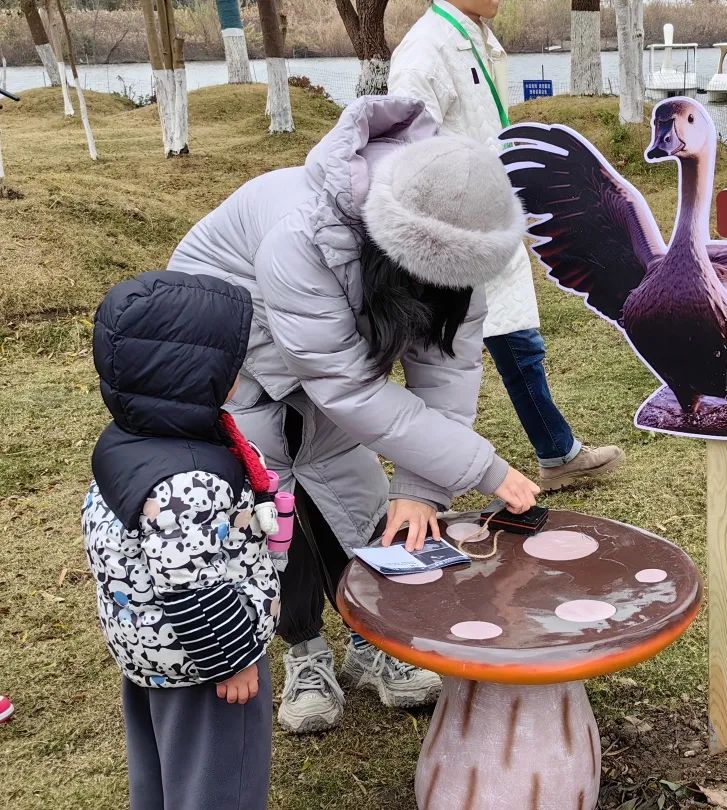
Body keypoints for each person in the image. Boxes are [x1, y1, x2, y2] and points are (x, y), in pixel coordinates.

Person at [167, 96, 540, 734]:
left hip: (323, 364)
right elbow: (344, 386)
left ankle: (374, 644)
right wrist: (481, 466)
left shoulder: (458, 237)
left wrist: (423, 486)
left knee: (367, 502)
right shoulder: (303, 236)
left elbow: (447, 368)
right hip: (231, 359)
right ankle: (305, 653)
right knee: (268, 512)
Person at [389, 0, 626, 493]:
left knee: (515, 339)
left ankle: (557, 453)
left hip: (490, 218)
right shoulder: (423, 51)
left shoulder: (476, 36)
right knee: (442, 359)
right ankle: (430, 478)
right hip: (457, 229)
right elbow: (409, 149)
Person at [82, 272, 280, 810]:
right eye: (230, 360)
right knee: (220, 786)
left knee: (164, 774)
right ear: (194, 374)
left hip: (152, 651)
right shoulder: (187, 480)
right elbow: (191, 582)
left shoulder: (131, 437)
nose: (240, 369)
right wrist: (234, 659)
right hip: (207, 664)